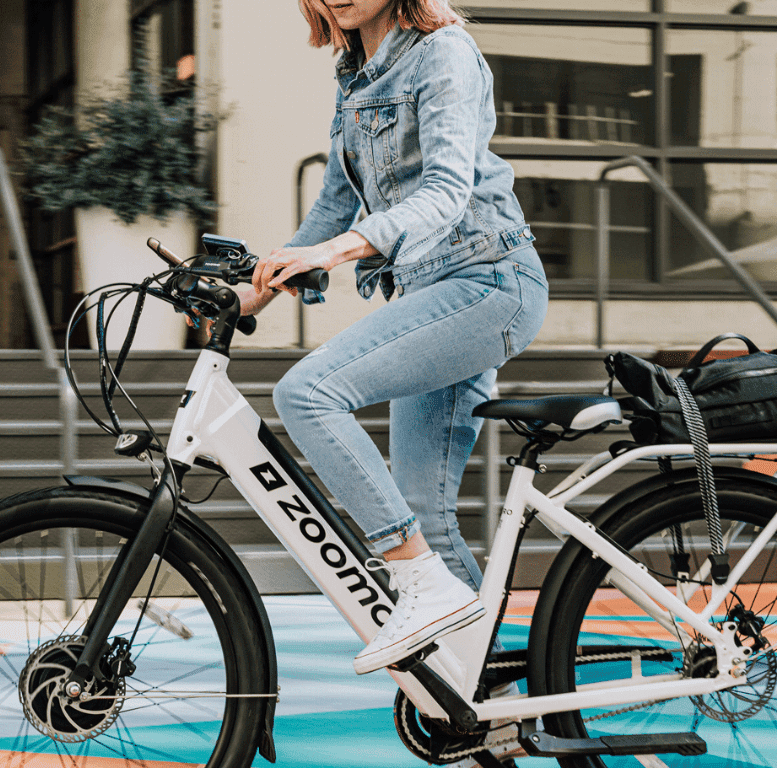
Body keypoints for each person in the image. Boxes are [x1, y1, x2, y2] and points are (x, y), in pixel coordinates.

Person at [239, 0, 549, 677]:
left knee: (309, 392)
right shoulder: (356, 72)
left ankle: (422, 584)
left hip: (489, 281)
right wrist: (253, 286)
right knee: (425, 518)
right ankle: (479, 698)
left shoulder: (443, 51)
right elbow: (333, 202)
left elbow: (444, 190)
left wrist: (341, 252)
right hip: (434, 293)